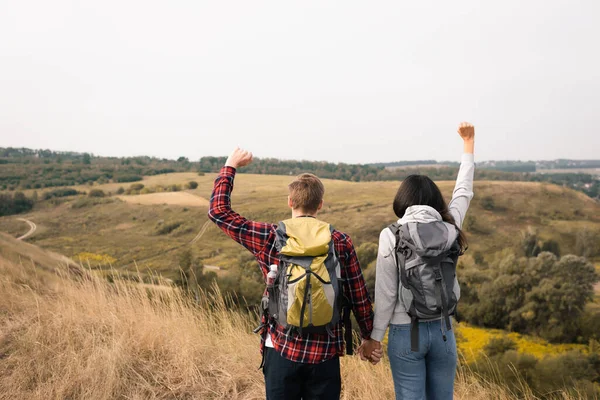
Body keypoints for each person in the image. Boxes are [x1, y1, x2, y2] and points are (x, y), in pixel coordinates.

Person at [208, 148, 382, 400]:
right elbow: (358, 296)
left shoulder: (270, 237)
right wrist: (369, 338)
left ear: (290, 202)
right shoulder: (340, 241)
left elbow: (218, 212)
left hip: (281, 349)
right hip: (325, 353)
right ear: (320, 204)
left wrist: (229, 166)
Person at [360, 122, 475, 400]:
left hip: (405, 331)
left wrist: (374, 337)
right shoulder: (451, 227)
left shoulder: (391, 234)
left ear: (402, 200)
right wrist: (468, 143)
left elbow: (386, 293)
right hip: (444, 329)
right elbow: (463, 192)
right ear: (436, 201)